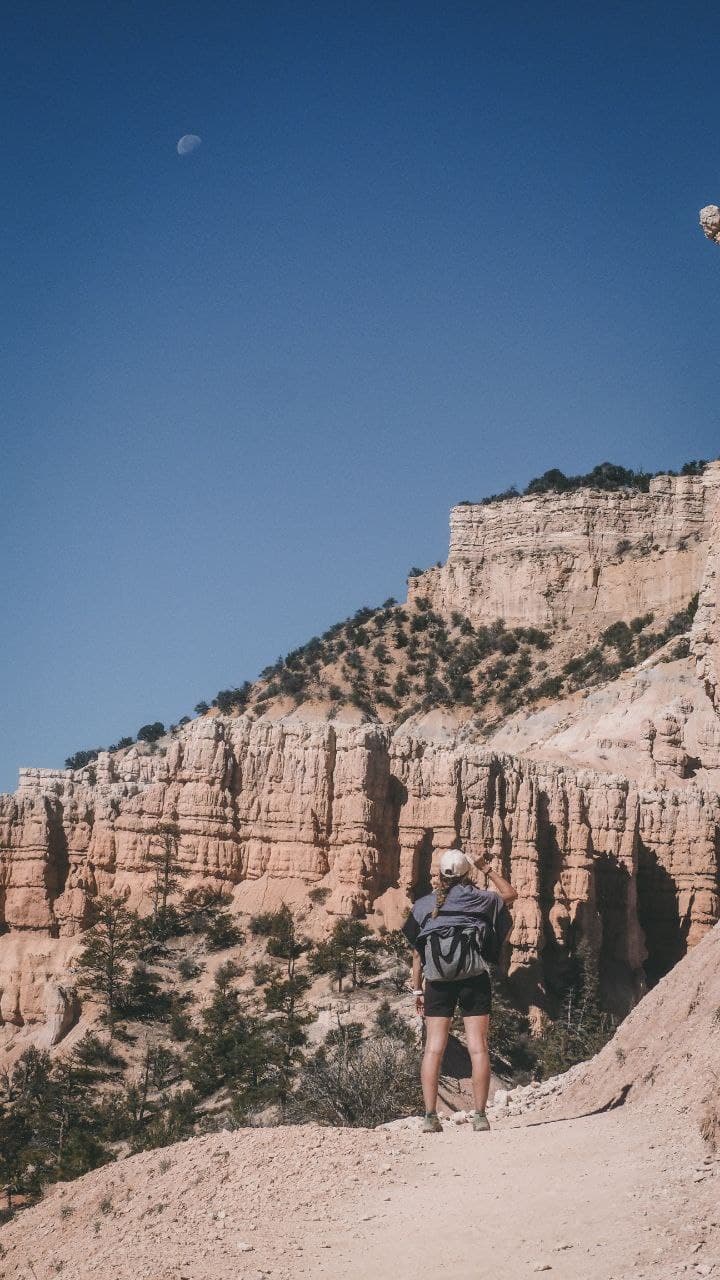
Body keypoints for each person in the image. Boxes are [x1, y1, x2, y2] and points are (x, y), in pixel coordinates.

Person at [402, 848, 518, 1133]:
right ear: (467, 873)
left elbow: (417, 952)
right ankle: (480, 1116)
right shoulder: (480, 899)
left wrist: (418, 991)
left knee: (433, 1048)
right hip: (473, 979)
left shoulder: (423, 905)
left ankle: (430, 1117)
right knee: (478, 1047)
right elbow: (511, 894)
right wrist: (486, 868)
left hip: (437, 982)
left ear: (440, 875)